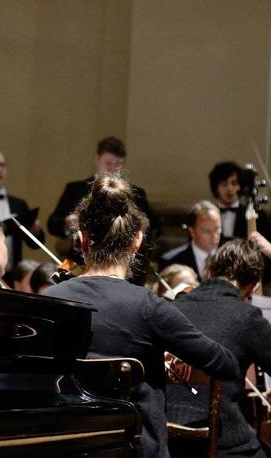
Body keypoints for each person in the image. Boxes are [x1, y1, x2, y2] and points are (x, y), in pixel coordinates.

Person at [44, 174, 239, 458]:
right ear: (136, 241)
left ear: (83, 239)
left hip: (67, 449)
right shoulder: (149, 307)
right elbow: (225, 365)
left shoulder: (50, 301)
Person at [166, 239, 271, 458]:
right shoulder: (246, 317)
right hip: (223, 445)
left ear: (209, 271)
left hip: (166, 444)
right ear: (254, 285)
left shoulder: (169, 309)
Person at [47, 136, 160, 240]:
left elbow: (154, 226)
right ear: (97, 159)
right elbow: (52, 224)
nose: (112, 169)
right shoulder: (76, 189)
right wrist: (67, 222)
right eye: (108, 163)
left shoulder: (136, 193)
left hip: (122, 254)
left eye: (117, 164)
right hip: (81, 254)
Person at [209, 161, 271, 285]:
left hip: (245, 281)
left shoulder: (256, 215)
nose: (230, 188)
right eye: (224, 184)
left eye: (234, 183)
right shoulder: (207, 216)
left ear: (240, 186)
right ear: (216, 188)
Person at [158, 200, 222, 282]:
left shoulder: (230, 259)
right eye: (207, 231)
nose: (214, 236)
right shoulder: (171, 261)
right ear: (192, 232)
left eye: (217, 229)